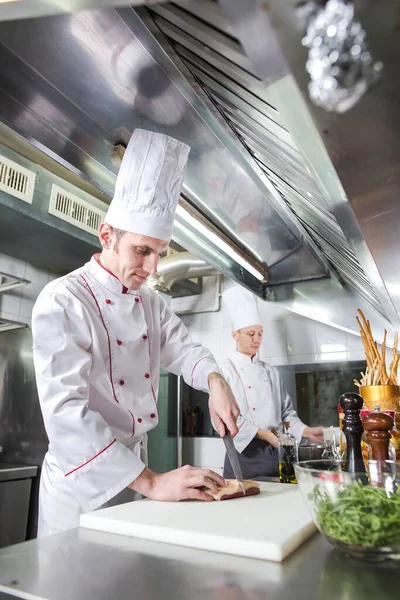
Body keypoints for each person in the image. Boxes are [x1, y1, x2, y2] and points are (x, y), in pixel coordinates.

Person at [32, 129, 240, 536]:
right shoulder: (64, 300)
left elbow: (185, 351)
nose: (152, 268)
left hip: (136, 474)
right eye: (142, 251)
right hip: (82, 485)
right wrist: (153, 482)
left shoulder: (150, 304)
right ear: (107, 235)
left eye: (160, 254)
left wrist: (216, 381)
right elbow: (65, 415)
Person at [219, 285, 323, 479]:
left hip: (276, 452)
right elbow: (226, 418)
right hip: (244, 455)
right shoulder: (224, 370)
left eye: (260, 333)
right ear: (235, 335)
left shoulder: (270, 371)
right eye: (251, 334)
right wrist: (264, 434)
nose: (256, 339)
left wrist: (307, 431)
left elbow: (286, 413)